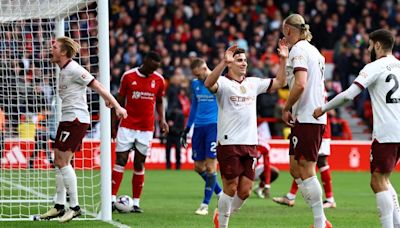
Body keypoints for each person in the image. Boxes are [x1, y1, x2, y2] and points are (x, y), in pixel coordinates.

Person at [313, 28, 400, 228]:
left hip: (386, 133)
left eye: (369, 45)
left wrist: (323, 109)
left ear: (377, 45)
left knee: (377, 181)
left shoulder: (374, 67)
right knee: (384, 179)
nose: (368, 49)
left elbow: (348, 95)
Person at [40, 36, 127, 222]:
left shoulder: (73, 68)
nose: (51, 49)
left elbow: (97, 85)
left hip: (76, 120)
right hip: (67, 119)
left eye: (54, 47)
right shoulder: (63, 69)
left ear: (63, 52)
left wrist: (117, 106)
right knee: (59, 160)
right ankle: (59, 206)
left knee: (62, 161)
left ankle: (75, 207)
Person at [204, 42, 288, 228]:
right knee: (231, 187)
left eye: (244, 60)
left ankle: (222, 214)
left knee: (245, 191)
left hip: (250, 143)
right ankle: (223, 225)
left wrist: (283, 59)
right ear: (230, 63)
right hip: (228, 143)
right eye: (239, 60)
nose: (243, 63)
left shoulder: (253, 83)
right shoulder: (224, 83)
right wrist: (222, 63)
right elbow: (208, 83)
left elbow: (281, 82)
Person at [280, 14, 331, 228]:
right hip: (307, 116)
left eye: (285, 33)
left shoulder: (299, 50)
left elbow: (300, 84)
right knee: (294, 168)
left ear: (289, 31)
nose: (284, 37)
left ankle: (320, 222)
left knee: (308, 169)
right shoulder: (315, 52)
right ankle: (321, 219)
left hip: (309, 116)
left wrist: (286, 106)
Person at [111, 51, 169, 213]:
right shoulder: (128, 76)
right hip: (127, 125)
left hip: (146, 128)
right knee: (121, 160)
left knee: (139, 163)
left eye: (157, 67)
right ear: (146, 61)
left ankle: (136, 203)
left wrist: (162, 119)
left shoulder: (159, 80)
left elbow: (159, 101)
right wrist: (114, 126)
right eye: (152, 66)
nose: (154, 70)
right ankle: (111, 200)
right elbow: (119, 101)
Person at [180, 58, 223, 216]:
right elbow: (194, 106)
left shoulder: (218, 82)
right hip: (198, 127)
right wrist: (187, 128)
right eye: (195, 75)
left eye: (198, 74)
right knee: (198, 167)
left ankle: (204, 205)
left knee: (211, 167)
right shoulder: (195, 84)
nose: (197, 77)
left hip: (213, 127)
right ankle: (220, 193)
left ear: (205, 68)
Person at [273, 118, 336, 208]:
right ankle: (291, 196)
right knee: (303, 163)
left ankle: (330, 199)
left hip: (318, 129)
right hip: (311, 128)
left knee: (319, 162)